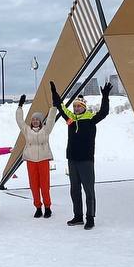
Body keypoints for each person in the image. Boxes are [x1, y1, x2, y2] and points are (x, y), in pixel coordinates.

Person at [50, 81, 112, 230]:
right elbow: (61, 108)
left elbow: (104, 112)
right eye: (75, 106)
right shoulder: (71, 120)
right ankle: (78, 216)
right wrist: (54, 94)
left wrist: (105, 97)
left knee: (89, 190)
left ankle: (90, 217)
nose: (76, 108)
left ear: (84, 107)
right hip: (72, 159)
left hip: (86, 160)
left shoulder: (91, 119)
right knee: (74, 189)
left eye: (79, 106)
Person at [15, 94, 58, 218]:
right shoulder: (27, 130)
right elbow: (19, 121)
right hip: (31, 161)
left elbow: (51, 119)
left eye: (37, 119)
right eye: (33, 119)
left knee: (45, 186)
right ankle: (38, 207)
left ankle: (47, 207)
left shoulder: (46, 130)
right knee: (34, 186)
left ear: (40, 121)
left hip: (43, 160)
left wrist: (54, 106)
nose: (35, 121)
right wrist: (20, 107)